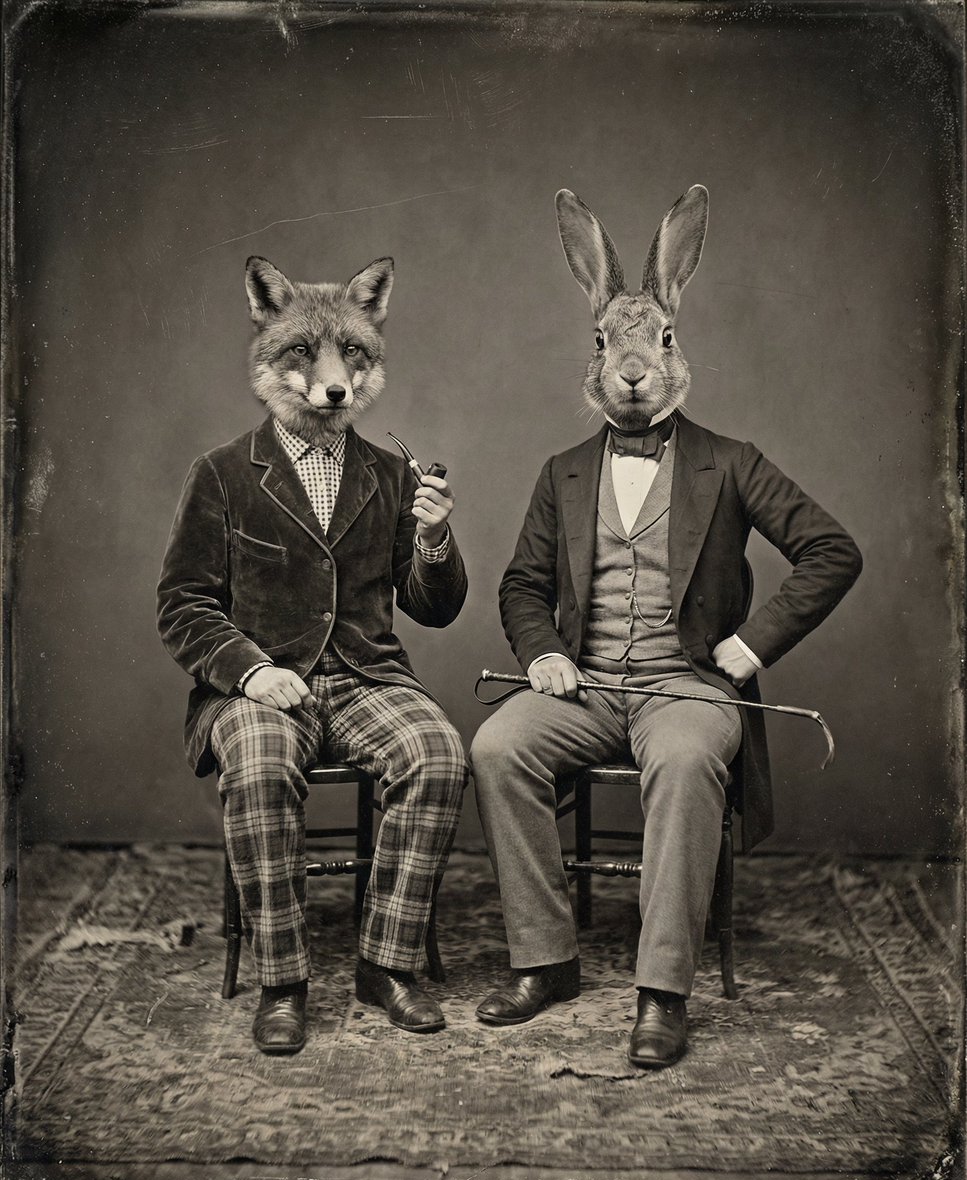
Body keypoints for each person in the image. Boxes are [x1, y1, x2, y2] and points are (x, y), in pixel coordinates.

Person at [470, 186, 862, 1068]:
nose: (632, 367)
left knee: (685, 762)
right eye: (612, 346)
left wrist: (750, 645)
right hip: (587, 686)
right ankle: (545, 960)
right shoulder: (563, 472)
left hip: (688, 687)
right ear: (596, 351)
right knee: (496, 747)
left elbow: (831, 551)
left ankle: (660, 993)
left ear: (674, 347)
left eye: (654, 343)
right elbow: (522, 585)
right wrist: (541, 653)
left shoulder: (730, 462)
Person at [158, 253, 468, 1054]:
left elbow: (434, 608)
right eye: (304, 352)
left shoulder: (389, 475)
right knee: (260, 764)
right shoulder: (222, 474)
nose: (333, 378)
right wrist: (252, 671)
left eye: (351, 354)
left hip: (365, 676)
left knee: (437, 752)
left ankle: (386, 965)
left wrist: (434, 541)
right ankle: (283, 983)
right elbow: (183, 604)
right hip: (259, 684)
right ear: (270, 345)